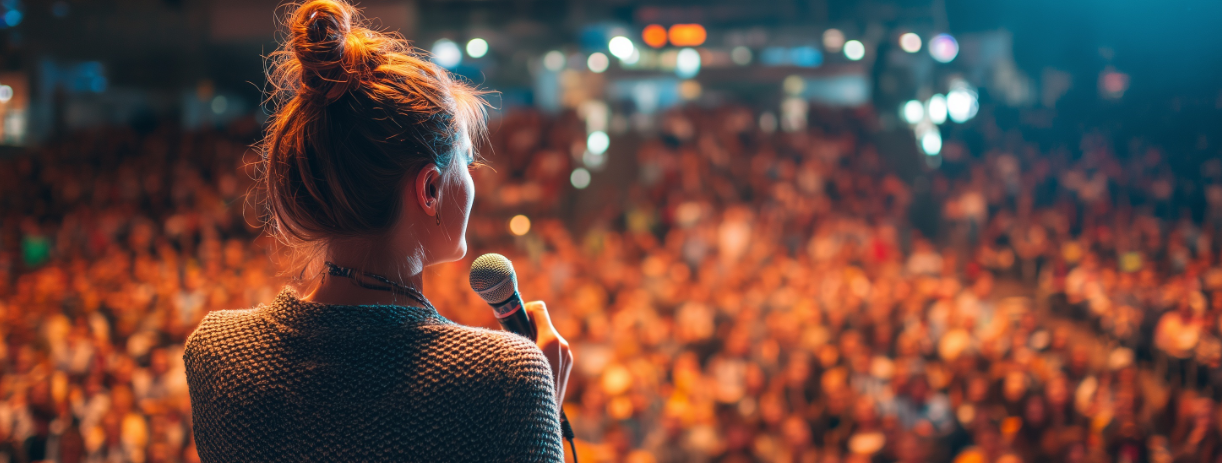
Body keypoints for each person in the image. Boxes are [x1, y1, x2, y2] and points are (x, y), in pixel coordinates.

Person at [181, 1, 572, 461]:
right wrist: (538, 407)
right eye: (465, 163)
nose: (474, 179)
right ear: (429, 189)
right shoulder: (505, 377)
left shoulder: (218, 353)